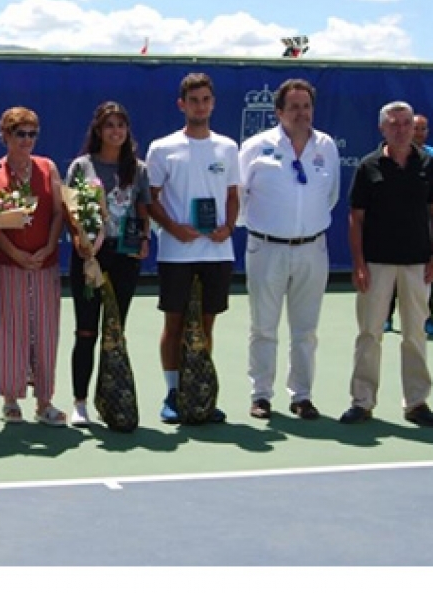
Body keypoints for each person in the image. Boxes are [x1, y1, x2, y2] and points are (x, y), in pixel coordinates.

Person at [237, 79, 340, 421]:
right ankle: (261, 395)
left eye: (306, 106)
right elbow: (240, 196)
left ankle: (302, 396)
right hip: (266, 248)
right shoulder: (255, 147)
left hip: (313, 249)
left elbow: (331, 196)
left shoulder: (326, 147)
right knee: (263, 327)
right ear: (279, 112)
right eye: (293, 107)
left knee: (306, 330)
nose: (301, 113)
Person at [145, 72, 238, 425]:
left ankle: (199, 389)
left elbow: (232, 195)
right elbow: (150, 200)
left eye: (206, 100)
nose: (200, 106)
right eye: (193, 100)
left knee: (206, 325)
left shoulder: (228, 147)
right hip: (176, 252)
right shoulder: (162, 147)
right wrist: (173, 228)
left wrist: (228, 227)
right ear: (182, 104)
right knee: (176, 324)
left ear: (212, 103)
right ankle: (172, 392)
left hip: (217, 252)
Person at [342, 101, 433, 427]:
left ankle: (417, 402)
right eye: (394, 124)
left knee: (415, 335)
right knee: (369, 333)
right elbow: (356, 219)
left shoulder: (427, 164)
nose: (402, 129)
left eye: (407, 123)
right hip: (376, 263)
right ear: (382, 128)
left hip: (417, 264)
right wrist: (359, 264)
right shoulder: (368, 166)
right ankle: (362, 402)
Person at [64, 101, 150, 426]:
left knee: (114, 331)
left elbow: (143, 211)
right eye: (109, 125)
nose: (116, 131)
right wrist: (80, 239)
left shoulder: (137, 169)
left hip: (124, 257)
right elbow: (72, 212)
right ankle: (80, 402)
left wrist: (143, 240)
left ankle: (111, 398)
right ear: (98, 131)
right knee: (86, 330)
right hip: (89, 257)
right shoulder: (81, 167)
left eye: (121, 125)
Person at [0, 106, 66, 426]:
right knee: (9, 332)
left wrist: (48, 246)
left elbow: (59, 212)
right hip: (7, 265)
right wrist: (15, 253)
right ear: (5, 136)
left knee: (45, 333)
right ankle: (10, 399)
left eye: (33, 133)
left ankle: (44, 401)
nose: (27, 139)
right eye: (20, 133)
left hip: (45, 265)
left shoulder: (48, 167)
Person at [384, 112, 433, 333]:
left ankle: (428, 319)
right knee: (392, 279)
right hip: (394, 230)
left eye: (424, 129)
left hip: (424, 227)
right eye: (417, 128)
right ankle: (387, 317)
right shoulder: (385, 158)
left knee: (425, 278)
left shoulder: (430, 159)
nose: (420, 133)